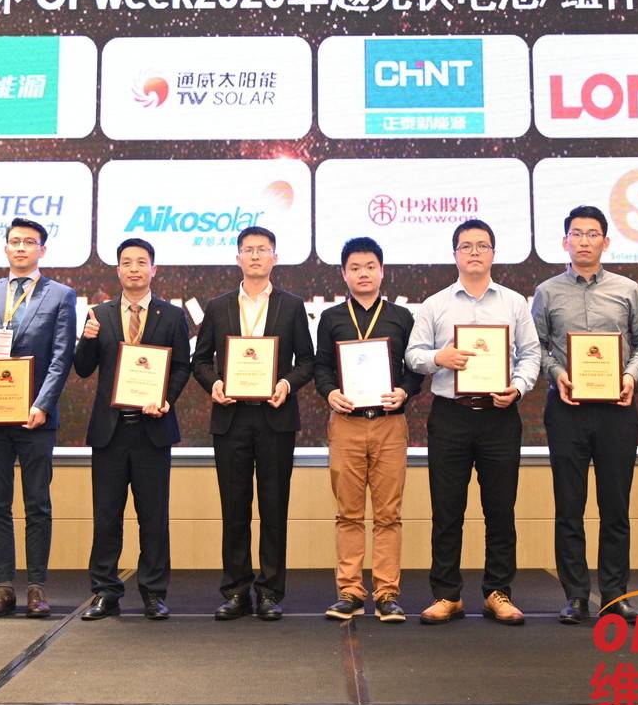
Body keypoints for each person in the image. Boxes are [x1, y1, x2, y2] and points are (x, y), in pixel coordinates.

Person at [406, 219, 541, 626]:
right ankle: (447, 594)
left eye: (483, 245)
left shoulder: (514, 303)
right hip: (451, 415)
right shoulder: (435, 305)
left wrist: (518, 387)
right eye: (466, 246)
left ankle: (498, 592)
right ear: (455, 255)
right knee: (447, 509)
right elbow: (413, 355)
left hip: (500, 415)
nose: (475, 252)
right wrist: (439, 358)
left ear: (493, 253)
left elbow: (531, 355)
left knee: (500, 509)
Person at [530, 205, 638, 624]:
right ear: (565, 241)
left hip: (617, 410)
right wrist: (558, 373)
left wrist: (631, 375)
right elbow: (535, 346)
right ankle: (576, 596)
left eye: (592, 234)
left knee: (615, 506)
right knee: (569, 506)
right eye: (577, 234)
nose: (584, 241)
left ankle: (615, 595)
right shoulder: (547, 292)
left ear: (606, 241)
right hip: (566, 409)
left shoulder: (628, 289)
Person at [191, 225, 315, 621]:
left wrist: (285, 384)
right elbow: (200, 360)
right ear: (238, 257)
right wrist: (214, 384)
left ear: (275, 257)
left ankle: (270, 592)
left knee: (274, 508)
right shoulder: (218, 306)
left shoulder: (291, 306)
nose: (256, 256)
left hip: (275, 417)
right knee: (234, 508)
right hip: (231, 419)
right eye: (249, 250)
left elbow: (307, 362)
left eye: (263, 250)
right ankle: (235, 591)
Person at [0, 217, 77, 618]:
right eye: (15, 241)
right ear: (6, 247)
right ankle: (4, 586)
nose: (21, 247)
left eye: (29, 242)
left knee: (37, 503)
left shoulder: (61, 295)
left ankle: (37, 588)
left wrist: (42, 404)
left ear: (42, 249)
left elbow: (61, 357)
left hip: (35, 419)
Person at [73, 237, 191, 620]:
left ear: (154, 269)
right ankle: (105, 591)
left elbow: (182, 367)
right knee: (106, 516)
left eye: (142, 262)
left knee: (153, 516)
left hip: (152, 430)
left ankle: (154, 592)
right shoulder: (99, 314)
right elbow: (83, 368)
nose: (134, 269)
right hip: (110, 432)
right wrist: (85, 340)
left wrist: (167, 399)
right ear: (118, 270)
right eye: (127, 262)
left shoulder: (171, 316)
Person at [313, 237, 421, 623]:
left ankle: (387, 593)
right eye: (355, 268)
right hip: (347, 424)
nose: (363, 274)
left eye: (370, 267)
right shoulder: (331, 318)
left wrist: (404, 391)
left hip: (390, 424)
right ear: (344, 274)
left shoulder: (401, 317)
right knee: (349, 513)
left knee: (389, 513)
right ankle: (350, 592)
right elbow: (321, 366)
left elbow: (415, 369)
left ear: (382, 271)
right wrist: (330, 393)